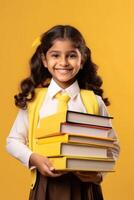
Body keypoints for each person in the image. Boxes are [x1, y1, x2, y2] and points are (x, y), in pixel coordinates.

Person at [6, 25, 120, 200]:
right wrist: (33, 158)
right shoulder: (33, 100)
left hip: (85, 189)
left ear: (82, 60)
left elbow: (113, 146)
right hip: (45, 188)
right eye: (55, 55)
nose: (64, 62)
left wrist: (98, 175)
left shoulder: (94, 102)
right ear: (44, 60)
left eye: (72, 55)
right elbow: (13, 141)